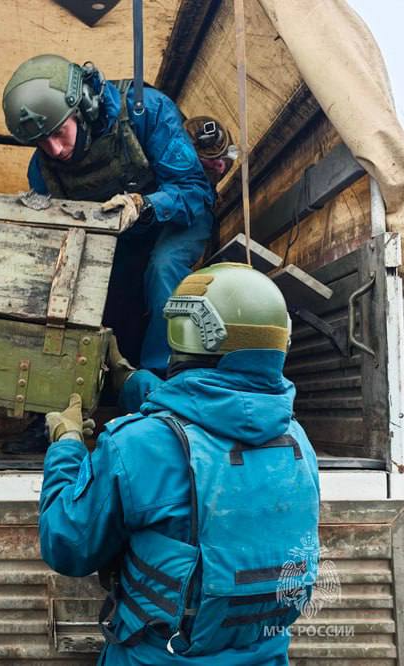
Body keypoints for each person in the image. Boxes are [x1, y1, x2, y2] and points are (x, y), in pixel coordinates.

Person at [37, 263, 321, 664]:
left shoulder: (135, 446)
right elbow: (215, 408)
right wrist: (129, 377)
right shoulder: (297, 441)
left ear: (188, 332)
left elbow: (67, 545)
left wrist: (66, 444)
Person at [0, 55, 216, 454]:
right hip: (114, 240)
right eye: (41, 142)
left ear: (84, 106)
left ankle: (161, 393)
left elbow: (194, 192)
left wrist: (143, 205)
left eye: (59, 133)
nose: (55, 149)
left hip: (175, 220)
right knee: (62, 286)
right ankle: (56, 407)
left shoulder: (146, 112)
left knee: (163, 268)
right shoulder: (43, 169)